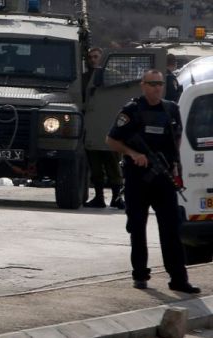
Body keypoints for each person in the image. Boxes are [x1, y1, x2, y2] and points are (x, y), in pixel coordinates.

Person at [106, 69, 200, 294]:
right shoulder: (132, 110)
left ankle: (178, 279)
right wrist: (132, 153)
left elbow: (175, 138)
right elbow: (111, 140)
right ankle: (140, 274)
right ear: (143, 85)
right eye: (152, 83)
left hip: (163, 176)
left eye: (160, 84)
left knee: (171, 228)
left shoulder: (171, 109)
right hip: (138, 178)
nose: (157, 87)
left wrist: (175, 165)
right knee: (137, 227)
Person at [83, 47, 125, 209]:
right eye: (90, 57)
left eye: (96, 57)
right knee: (95, 165)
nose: (93, 60)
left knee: (113, 164)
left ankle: (116, 197)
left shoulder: (115, 76)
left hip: (110, 125)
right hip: (92, 126)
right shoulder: (85, 78)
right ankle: (99, 196)